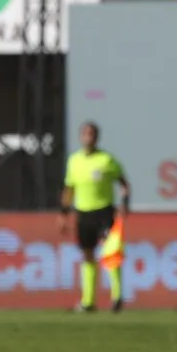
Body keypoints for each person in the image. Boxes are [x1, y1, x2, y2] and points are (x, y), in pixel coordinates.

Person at [59, 122, 130, 313]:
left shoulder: (106, 160)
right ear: (81, 137)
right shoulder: (74, 161)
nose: (88, 138)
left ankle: (117, 298)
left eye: (92, 134)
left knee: (110, 253)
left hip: (104, 211)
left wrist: (125, 204)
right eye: (85, 134)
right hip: (83, 213)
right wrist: (64, 215)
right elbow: (69, 188)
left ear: (97, 138)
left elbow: (124, 183)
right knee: (87, 254)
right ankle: (88, 301)